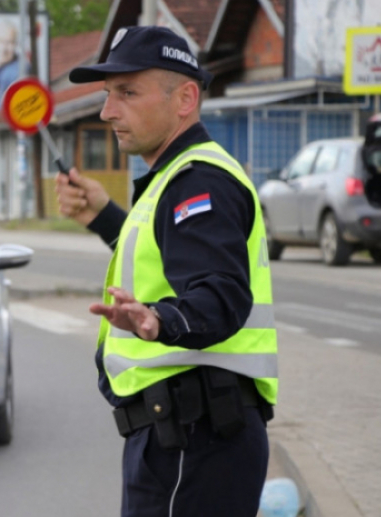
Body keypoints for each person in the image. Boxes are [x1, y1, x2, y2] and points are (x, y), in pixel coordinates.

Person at [55, 26, 278, 517]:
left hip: (193, 438)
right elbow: (173, 259)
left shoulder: (197, 180)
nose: (107, 111)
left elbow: (220, 294)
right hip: (188, 436)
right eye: (109, 94)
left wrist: (162, 320)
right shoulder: (178, 177)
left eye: (128, 93)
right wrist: (104, 216)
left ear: (185, 98)